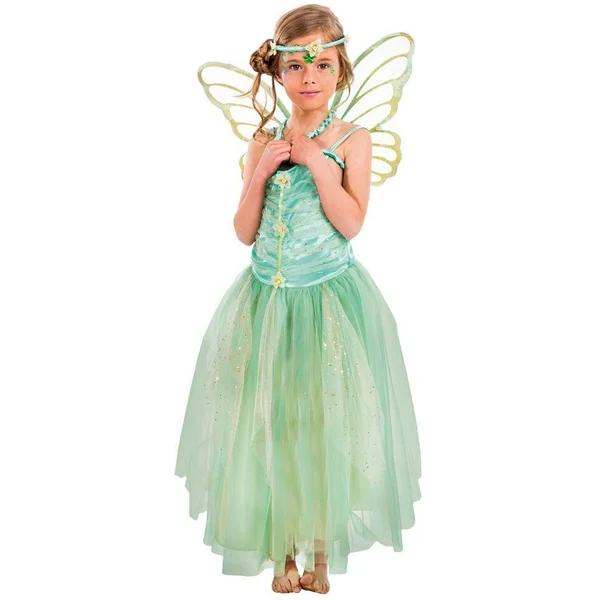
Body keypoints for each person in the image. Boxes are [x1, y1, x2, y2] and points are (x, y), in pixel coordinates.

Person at [175, 4, 421, 594]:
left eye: (323, 65)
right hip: (266, 306)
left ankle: (319, 557)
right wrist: (260, 171)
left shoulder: (352, 140)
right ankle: (281, 553)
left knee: (322, 423)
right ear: (278, 72)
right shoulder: (263, 140)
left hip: (327, 306)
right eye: (296, 66)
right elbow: (243, 231)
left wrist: (316, 162)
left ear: (341, 71)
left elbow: (352, 222)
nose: (310, 77)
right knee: (274, 424)